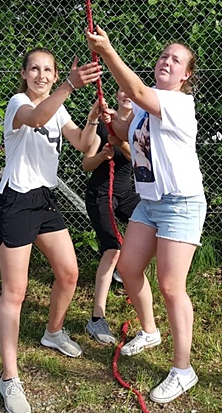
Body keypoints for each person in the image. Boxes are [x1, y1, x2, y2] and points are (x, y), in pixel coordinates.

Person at [85, 27, 206, 404]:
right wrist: (110, 119)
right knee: (129, 268)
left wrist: (106, 51)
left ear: (186, 75)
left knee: (171, 286)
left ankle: (183, 370)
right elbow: (127, 131)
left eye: (176, 60)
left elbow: (136, 91)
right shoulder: (147, 104)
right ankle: (150, 331)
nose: (167, 61)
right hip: (150, 202)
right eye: (164, 56)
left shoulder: (178, 103)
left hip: (181, 203)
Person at [0, 47, 102, 413]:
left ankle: (52, 332)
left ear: (54, 75)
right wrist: (70, 85)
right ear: (24, 74)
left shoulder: (59, 108)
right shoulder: (19, 103)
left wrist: (92, 120)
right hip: (16, 200)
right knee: (15, 292)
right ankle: (9, 379)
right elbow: (38, 117)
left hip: (44, 199)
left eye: (48, 70)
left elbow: (84, 145)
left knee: (69, 274)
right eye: (35, 69)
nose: (41, 75)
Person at [82, 89, 140, 345]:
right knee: (112, 249)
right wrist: (101, 156)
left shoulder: (138, 122)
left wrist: (121, 143)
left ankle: (124, 271)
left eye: (130, 90)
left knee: (154, 228)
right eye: (121, 89)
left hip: (126, 193)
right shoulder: (105, 123)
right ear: (116, 95)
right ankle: (97, 319)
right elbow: (86, 164)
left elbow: (137, 157)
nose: (126, 94)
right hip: (100, 193)